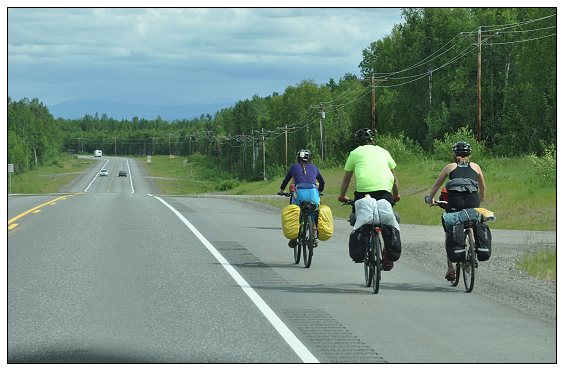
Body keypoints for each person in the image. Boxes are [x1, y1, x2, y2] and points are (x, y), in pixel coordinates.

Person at [337, 128, 400, 270]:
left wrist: (342, 196)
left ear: (358, 142)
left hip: (363, 193)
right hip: (384, 192)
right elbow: (394, 179)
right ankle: (387, 254)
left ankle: (363, 247)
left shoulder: (354, 153)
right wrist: (396, 195)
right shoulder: (384, 152)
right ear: (373, 140)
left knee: (359, 217)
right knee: (386, 220)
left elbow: (347, 179)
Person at [424, 141, 487, 281]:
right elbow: (482, 188)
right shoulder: (476, 167)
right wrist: (479, 201)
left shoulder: (449, 167)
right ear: (470, 154)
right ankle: (475, 246)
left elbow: (436, 186)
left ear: (454, 154)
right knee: (474, 221)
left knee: (449, 228)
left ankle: (450, 267)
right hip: (473, 201)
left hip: (455, 202)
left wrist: (430, 199)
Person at [278, 149, 325, 248]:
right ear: (309, 159)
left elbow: (286, 181)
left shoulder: (294, 167)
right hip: (313, 194)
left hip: (300, 194)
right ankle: (314, 235)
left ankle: (294, 238)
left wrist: (282, 191)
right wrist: (319, 191)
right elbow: (322, 182)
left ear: (298, 158)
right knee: (314, 211)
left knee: (294, 210)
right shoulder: (314, 167)